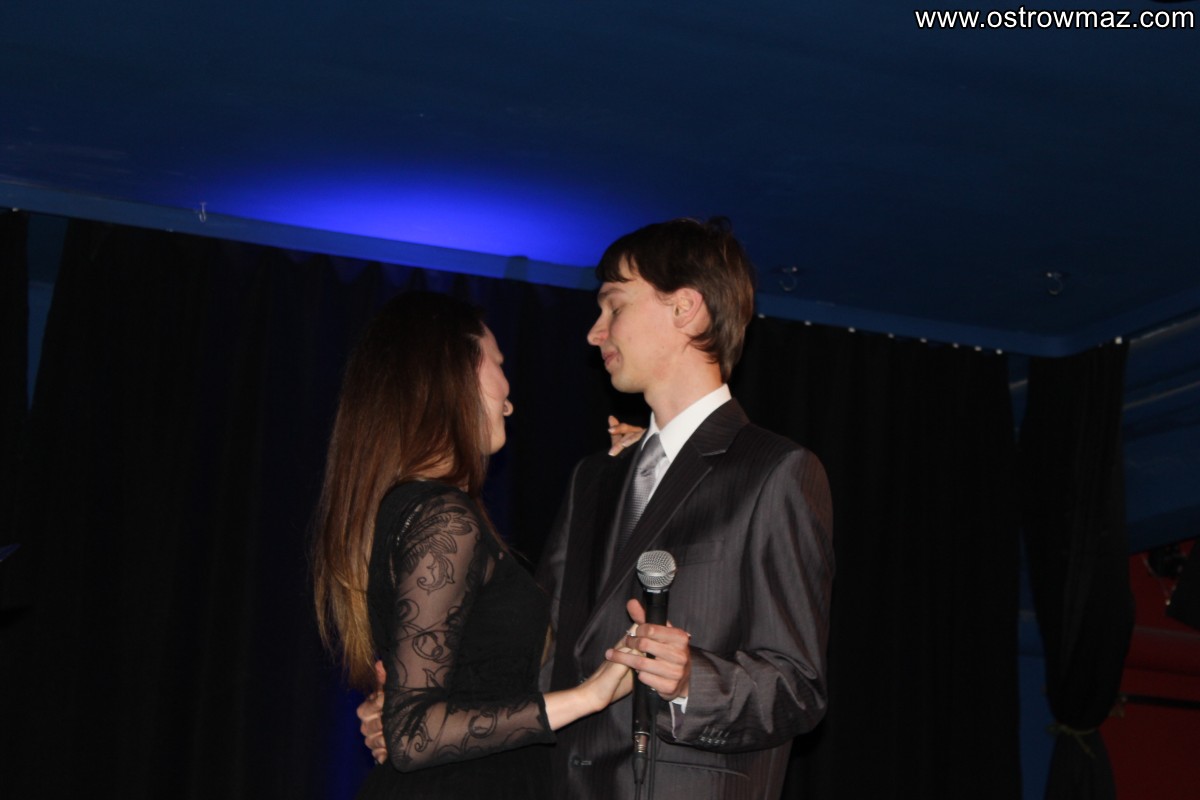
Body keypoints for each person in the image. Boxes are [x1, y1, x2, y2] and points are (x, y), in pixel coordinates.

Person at [361, 218, 834, 799]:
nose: (594, 332)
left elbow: (798, 686)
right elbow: (538, 651)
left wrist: (691, 679)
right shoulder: (595, 477)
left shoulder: (774, 471)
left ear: (686, 309)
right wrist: (420, 716)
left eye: (614, 305)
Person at [311, 291, 634, 799]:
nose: (508, 398)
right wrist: (590, 695)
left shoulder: (420, 509)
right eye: (498, 364)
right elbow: (415, 733)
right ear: (454, 372)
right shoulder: (442, 516)